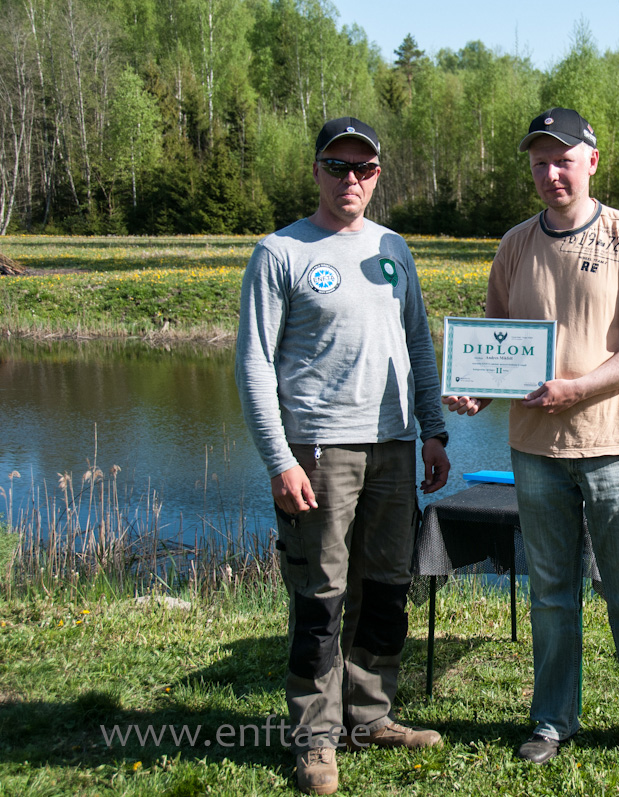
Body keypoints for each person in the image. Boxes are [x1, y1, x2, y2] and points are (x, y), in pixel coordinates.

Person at [443, 107, 619, 774]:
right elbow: (496, 346)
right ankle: (553, 720)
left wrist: (578, 390)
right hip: (536, 456)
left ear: (591, 160)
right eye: (539, 162)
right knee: (552, 596)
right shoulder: (515, 244)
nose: (551, 173)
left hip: (615, 449)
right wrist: (474, 390)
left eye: (562, 159)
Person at [236, 117, 450, 796]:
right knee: (321, 597)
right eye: (337, 166)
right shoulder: (280, 253)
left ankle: (371, 714)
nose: (350, 180)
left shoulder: (394, 247)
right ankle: (315, 737)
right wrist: (280, 459)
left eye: (364, 168)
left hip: (393, 446)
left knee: (386, 589)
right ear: (317, 170)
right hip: (318, 451)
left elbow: (417, 342)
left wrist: (435, 431)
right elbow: (253, 365)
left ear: (379, 174)